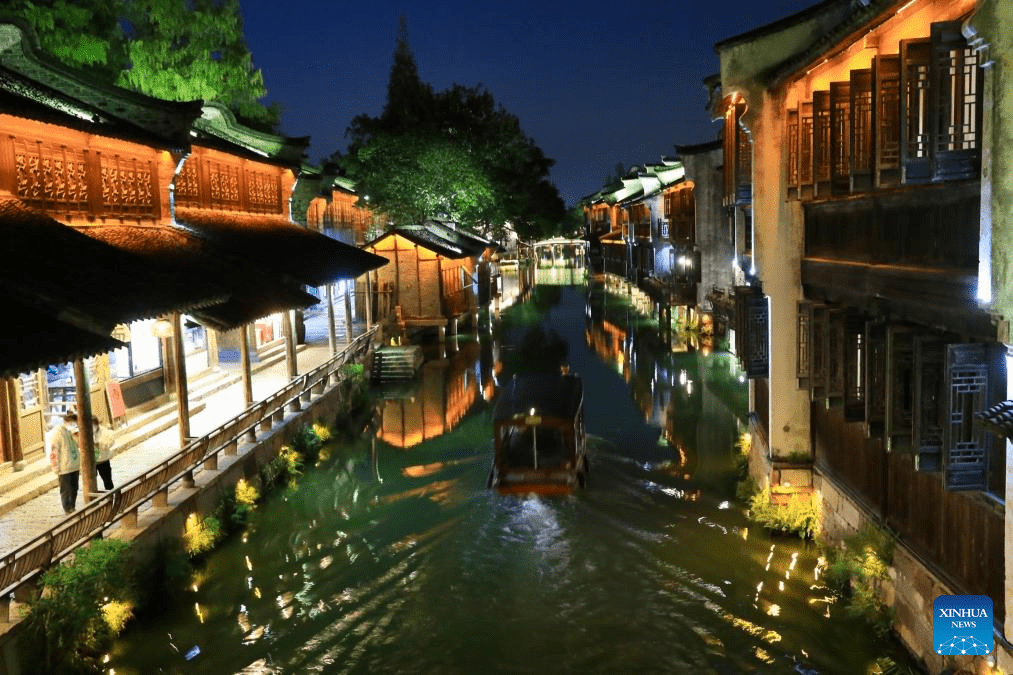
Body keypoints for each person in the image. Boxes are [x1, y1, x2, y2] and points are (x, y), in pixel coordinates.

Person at [47, 412, 80, 514]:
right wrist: (56, 466)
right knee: (66, 490)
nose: (74, 425)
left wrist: (76, 435)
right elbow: (55, 451)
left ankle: (72, 507)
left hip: (74, 465)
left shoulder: (72, 432)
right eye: (73, 423)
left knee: (75, 488)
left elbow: (79, 444)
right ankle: (67, 509)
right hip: (64, 467)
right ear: (66, 422)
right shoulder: (58, 433)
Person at [92, 415, 114, 491]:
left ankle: (110, 498)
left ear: (97, 423)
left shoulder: (105, 431)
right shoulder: (86, 433)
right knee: (91, 483)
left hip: (103, 460)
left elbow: (110, 443)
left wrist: (98, 444)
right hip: (92, 462)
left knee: (108, 481)